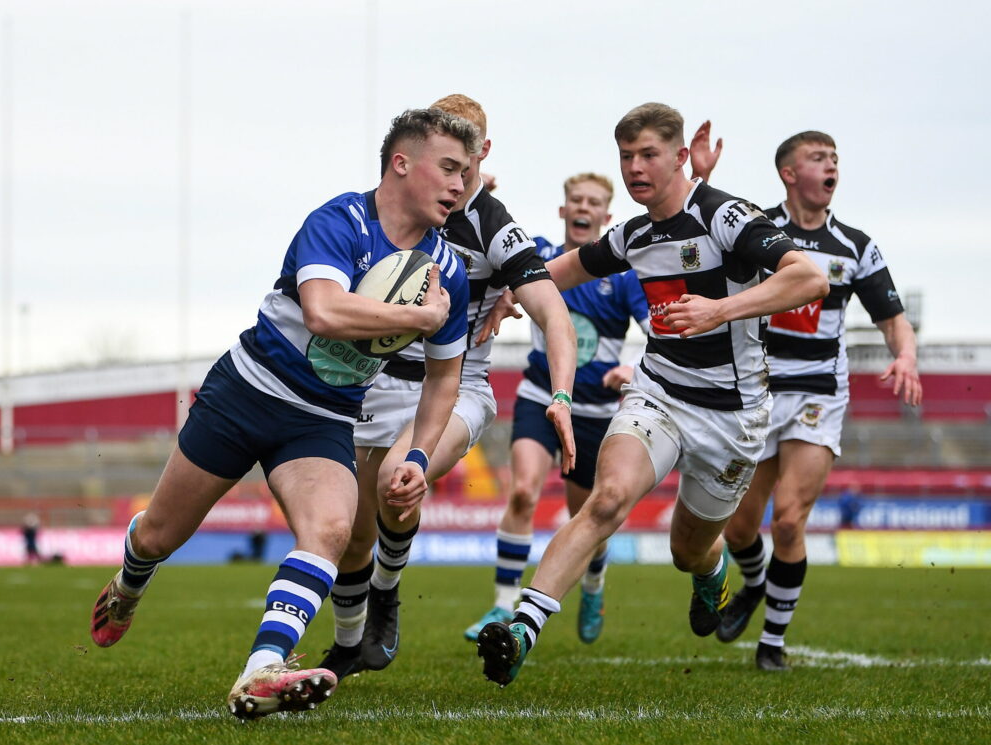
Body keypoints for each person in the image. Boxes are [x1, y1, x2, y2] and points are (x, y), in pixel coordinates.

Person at [88, 107, 479, 719]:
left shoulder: (448, 269)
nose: (461, 184)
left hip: (322, 418)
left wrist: (419, 454)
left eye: (466, 172)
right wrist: (418, 317)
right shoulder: (339, 220)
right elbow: (323, 310)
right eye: (449, 168)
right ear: (402, 164)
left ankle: (262, 670)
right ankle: (129, 582)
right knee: (160, 535)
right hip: (245, 394)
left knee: (331, 530)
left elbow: (444, 378)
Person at [475, 102, 829, 688]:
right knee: (607, 499)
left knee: (687, 551)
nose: (635, 167)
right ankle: (522, 629)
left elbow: (810, 277)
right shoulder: (633, 234)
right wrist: (508, 294)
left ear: (681, 156)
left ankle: (710, 573)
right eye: (626, 156)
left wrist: (720, 309)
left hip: (734, 416)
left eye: (648, 155)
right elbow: (560, 270)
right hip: (659, 394)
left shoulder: (726, 216)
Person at [317, 94, 576, 680]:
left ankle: (387, 592)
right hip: (375, 383)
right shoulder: (396, 207)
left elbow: (554, 315)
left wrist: (561, 394)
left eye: (467, 155)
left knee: (396, 481)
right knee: (352, 532)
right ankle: (349, 644)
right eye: (446, 156)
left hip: (458, 387)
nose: (456, 171)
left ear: (483, 152)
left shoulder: (494, 225)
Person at [690, 126, 922, 671]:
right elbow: (698, 238)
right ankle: (753, 582)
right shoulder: (761, 230)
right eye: (819, 157)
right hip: (759, 389)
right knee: (739, 528)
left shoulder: (856, 247)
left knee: (789, 520)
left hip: (819, 392)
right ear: (789, 173)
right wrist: (701, 180)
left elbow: (892, 319)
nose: (831, 165)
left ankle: (772, 643)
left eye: (834, 157)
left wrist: (907, 355)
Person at [463, 172, 650, 645]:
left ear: (606, 216)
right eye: (576, 200)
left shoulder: (622, 277)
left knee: (587, 516)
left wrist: (631, 367)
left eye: (593, 202)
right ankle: (503, 604)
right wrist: (477, 198)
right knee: (523, 492)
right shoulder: (541, 255)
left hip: (596, 413)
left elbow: (660, 335)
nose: (583, 207)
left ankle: (594, 582)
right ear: (564, 210)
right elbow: (494, 257)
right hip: (539, 395)